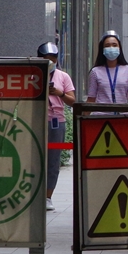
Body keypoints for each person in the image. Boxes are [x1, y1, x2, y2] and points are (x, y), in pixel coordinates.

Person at [38, 41, 75, 212]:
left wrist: (60, 93)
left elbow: (72, 101)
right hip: (38, 119)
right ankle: (35, 194)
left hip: (56, 121)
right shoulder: (34, 75)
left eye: (53, 58)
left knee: (53, 160)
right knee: (36, 158)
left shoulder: (63, 76)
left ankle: (48, 197)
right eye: (46, 58)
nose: (50, 61)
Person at [85, 31, 128, 103]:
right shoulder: (95, 71)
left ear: (119, 48)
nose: (111, 48)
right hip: (101, 110)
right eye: (107, 45)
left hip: (122, 110)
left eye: (114, 45)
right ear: (102, 49)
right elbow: (91, 98)